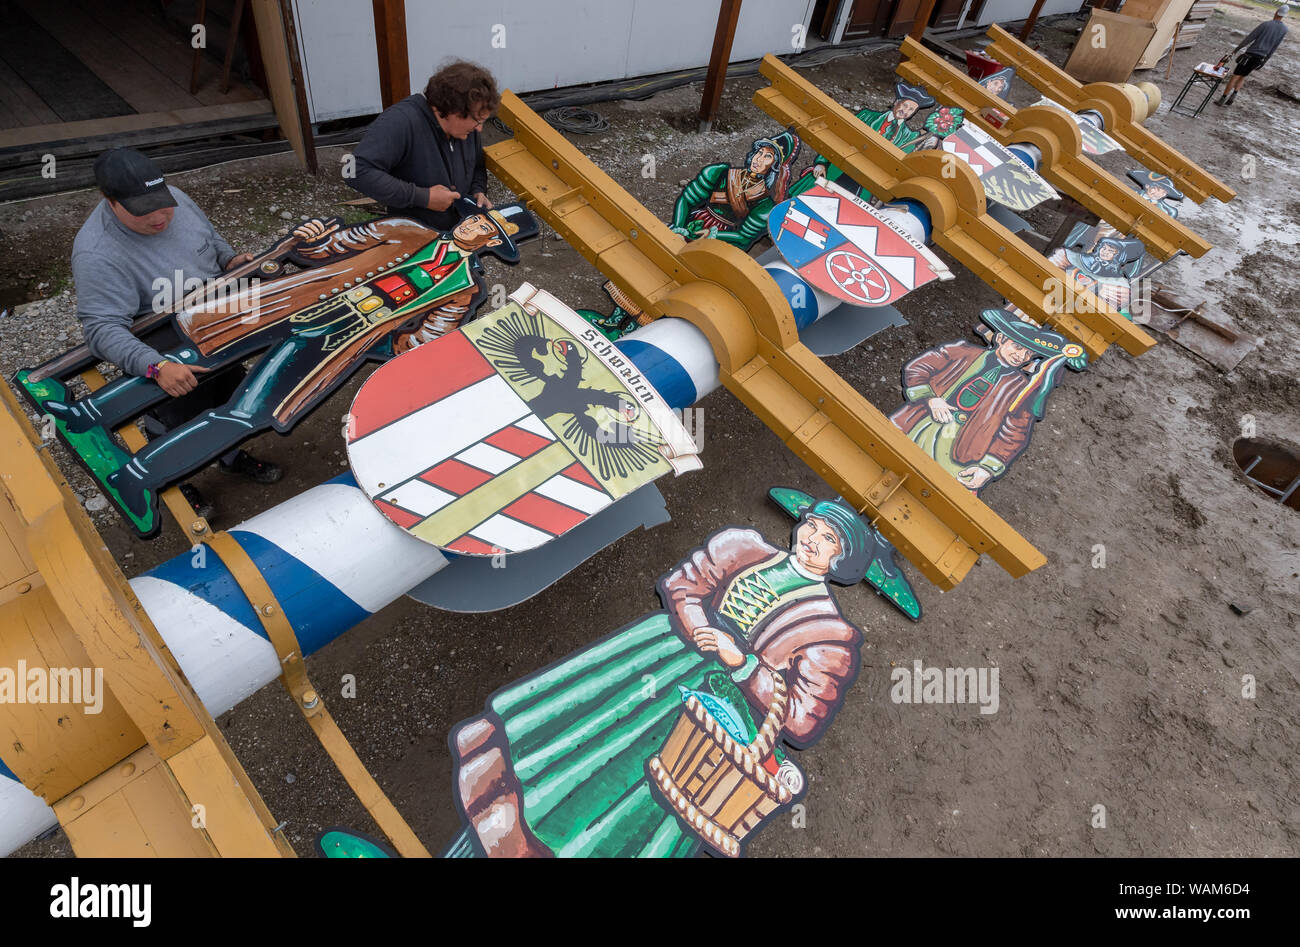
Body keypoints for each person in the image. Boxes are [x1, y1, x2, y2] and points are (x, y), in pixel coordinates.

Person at [47, 203, 533, 527]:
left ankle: (138, 477)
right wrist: (308, 239)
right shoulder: (408, 229)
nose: (474, 228)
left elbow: (425, 338)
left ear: (493, 244)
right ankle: (86, 415)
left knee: (247, 413)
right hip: (289, 300)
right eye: (475, 220)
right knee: (197, 355)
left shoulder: (466, 288)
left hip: (336, 340)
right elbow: (331, 248)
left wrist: (383, 343)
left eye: (486, 231)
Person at [443, 500, 876, 857]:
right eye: (813, 528)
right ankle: (496, 826)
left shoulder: (831, 633)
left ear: (840, 559)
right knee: (585, 740)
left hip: (714, 721)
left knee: (642, 795)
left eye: (828, 541)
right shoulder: (745, 548)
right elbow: (683, 585)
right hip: (659, 656)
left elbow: (802, 719)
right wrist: (700, 630)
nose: (813, 542)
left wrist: (744, 665)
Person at [71, 147, 281, 519]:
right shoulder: (97, 253)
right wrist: (154, 367)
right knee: (176, 416)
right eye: (143, 210)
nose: (160, 216)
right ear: (110, 201)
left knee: (229, 397)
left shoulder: (173, 199)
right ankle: (177, 481)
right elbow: (101, 329)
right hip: (161, 342)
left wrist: (229, 261)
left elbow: (210, 240)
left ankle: (229, 457)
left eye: (162, 202)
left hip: (214, 322)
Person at [891, 309, 1086, 494]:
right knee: (892, 454)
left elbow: (1015, 431)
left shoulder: (1020, 388)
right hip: (920, 421)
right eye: (1017, 347)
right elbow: (919, 367)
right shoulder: (963, 352)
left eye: (1028, 354)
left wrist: (987, 468)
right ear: (1000, 338)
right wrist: (930, 398)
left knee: (931, 489)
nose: (1020, 356)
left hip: (965, 446)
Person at [348, 60, 498, 229]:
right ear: (454, 110)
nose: (480, 129)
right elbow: (354, 170)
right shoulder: (402, 121)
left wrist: (478, 191)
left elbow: (477, 164)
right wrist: (423, 197)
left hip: (458, 237)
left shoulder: (467, 131)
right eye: (477, 121)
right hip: (413, 240)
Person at [669, 131, 802, 249]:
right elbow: (687, 199)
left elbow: (743, 237)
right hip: (694, 221)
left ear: (774, 165)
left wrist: (712, 234)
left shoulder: (765, 205)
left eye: (768, 156)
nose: (759, 159)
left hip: (724, 238)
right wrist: (678, 227)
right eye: (759, 152)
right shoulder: (719, 172)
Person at [1218, 5, 1289, 105]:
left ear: (1277, 12)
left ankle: (1222, 99)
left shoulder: (1266, 24)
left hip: (1249, 55)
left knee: (1235, 76)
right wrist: (1265, 60)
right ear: (1284, 15)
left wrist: (1236, 49)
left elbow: (1250, 38)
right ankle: (1232, 97)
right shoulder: (1284, 29)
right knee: (1242, 77)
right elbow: (1274, 47)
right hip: (1260, 58)